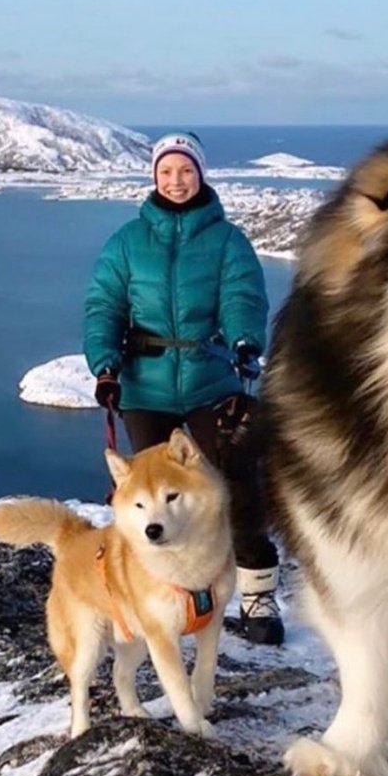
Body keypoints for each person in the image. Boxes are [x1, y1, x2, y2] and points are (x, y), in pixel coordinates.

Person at [83, 131, 284, 646]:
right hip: (144, 385)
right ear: (154, 176)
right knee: (153, 500)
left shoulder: (227, 241)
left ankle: (259, 598)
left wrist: (243, 341)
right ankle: (172, 597)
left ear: (201, 175)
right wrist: (104, 364)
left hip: (209, 380)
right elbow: (104, 305)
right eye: (167, 171)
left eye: (186, 171)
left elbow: (244, 296)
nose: (177, 181)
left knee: (234, 485)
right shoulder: (127, 242)